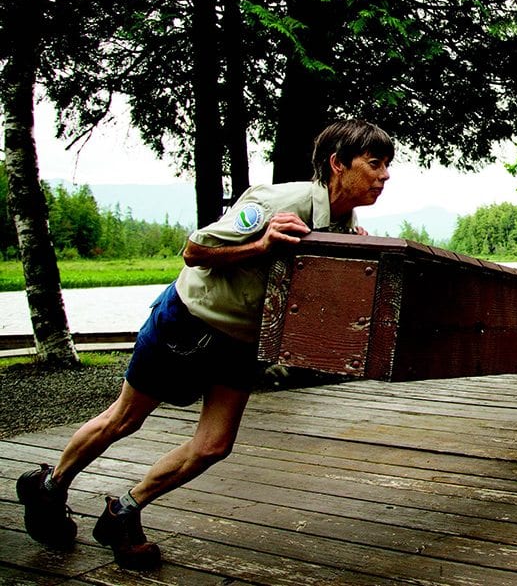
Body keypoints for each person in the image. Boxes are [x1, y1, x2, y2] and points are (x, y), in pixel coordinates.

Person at [16, 118, 394, 569]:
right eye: (375, 164)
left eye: (387, 166)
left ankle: (123, 510)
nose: (384, 176)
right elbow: (194, 252)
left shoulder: (346, 227)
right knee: (125, 419)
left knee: (214, 445)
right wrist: (260, 244)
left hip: (240, 343)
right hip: (189, 322)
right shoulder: (275, 202)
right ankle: (51, 487)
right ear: (336, 164)